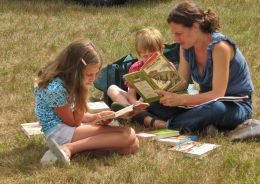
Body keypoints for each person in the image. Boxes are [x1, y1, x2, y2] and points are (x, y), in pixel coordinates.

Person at [146, 1, 254, 133]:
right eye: (174, 34)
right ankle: (198, 124)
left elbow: (217, 94)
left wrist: (182, 99)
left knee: (215, 109)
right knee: (155, 103)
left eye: (179, 33)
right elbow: (182, 84)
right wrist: (158, 88)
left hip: (233, 106)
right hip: (202, 102)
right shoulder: (185, 47)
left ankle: (163, 124)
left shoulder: (220, 48)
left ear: (195, 26)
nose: (176, 39)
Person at [34, 40, 139, 164]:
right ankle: (69, 148)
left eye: (96, 74)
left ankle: (75, 150)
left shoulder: (68, 80)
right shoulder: (55, 88)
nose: (93, 79)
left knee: (133, 146)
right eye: (89, 74)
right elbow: (73, 122)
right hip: (58, 132)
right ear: (75, 70)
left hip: (68, 127)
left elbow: (72, 115)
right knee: (129, 134)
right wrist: (82, 92)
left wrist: (96, 117)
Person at [107, 27, 167, 129]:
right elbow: (131, 94)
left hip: (160, 104)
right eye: (144, 56)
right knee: (112, 89)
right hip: (140, 103)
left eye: (152, 55)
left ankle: (129, 114)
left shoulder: (166, 66)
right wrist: (136, 103)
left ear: (162, 49)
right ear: (139, 55)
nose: (148, 59)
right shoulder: (136, 67)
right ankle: (128, 110)